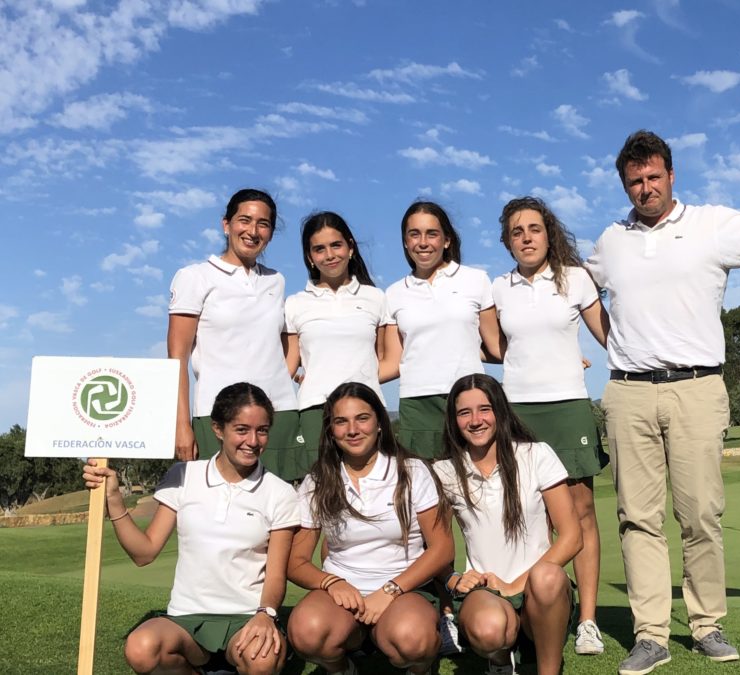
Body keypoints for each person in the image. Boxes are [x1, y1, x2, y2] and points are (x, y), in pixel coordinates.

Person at [585, 126, 740, 674]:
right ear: (625, 185)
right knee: (637, 519)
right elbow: (580, 290)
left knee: (701, 514)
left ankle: (706, 624)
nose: (645, 188)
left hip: (697, 387)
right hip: (629, 391)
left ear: (671, 174)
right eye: (635, 181)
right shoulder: (611, 240)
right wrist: (610, 340)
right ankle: (652, 635)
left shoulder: (711, 224)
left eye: (653, 177)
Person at [83, 382, 300, 675]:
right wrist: (114, 500)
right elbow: (143, 553)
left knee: (261, 660)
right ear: (218, 429)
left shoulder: (280, 492)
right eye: (241, 429)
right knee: (141, 648)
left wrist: (266, 614)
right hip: (186, 618)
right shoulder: (183, 475)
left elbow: (275, 575)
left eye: (262, 430)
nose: (253, 440)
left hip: (246, 617)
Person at [490, 196, 610, 656]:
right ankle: (529, 612)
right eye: (517, 231)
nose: (526, 238)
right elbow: (497, 348)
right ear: (507, 240)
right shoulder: (498, 289)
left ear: (549, 233)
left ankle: (587, 621)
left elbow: (610, 336)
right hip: (517, 412)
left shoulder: (576, 279)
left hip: (569, 408)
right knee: (528, 515)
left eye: (534, 229)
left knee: (580, 514)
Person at [383, 200, 501, 653]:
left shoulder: (475, 281)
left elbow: (493, 346)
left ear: (447, 237)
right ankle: (443, 609)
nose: (423, 242)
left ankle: (486, 596)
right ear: (405, 242)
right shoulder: (394, 294)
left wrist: (555, 354)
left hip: (469, 404)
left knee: (472, 504)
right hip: (417, 406)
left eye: (431, 233)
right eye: (414, 234)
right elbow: (391, 361)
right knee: (428, 514)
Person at [286, 382, 452, 675]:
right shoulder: (317, 481)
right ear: (330, 430)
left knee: (413, 640)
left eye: (362, 418)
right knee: (306, 632)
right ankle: (342, 668)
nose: (352, 429)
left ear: (379, 423)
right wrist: (332, 583)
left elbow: (442, 548)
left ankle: (418, 668)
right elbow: (296, 562)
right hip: (342, 594)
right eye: (341, 421)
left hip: (404, 589)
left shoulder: (411, 471)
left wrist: (390, 590)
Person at [434, 374, 583, 675]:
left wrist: (516, 585)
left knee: (548, 577)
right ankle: (500, 661)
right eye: (464, 412)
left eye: (484, 409)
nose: (475, 420)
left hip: (539, 593)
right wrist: (453, 579)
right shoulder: (444, 471)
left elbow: (572, 536)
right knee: (489, 631)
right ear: (454, 420)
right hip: (485, 591)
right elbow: (432, 545)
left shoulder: (536, 454)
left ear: (500, 411)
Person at [168, 189, 304, 480]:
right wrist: (182, 423)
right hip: (217, 415)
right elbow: (176, 356)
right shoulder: (195, 277)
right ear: (226, 224)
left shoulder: (276, 280)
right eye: (245, 220)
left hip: (279, 413)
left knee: (281, 513)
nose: (253, 231)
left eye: (263, 224)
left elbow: (281, 346)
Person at [285, 211, 388, 471]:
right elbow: (288, 365)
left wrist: (353, 378)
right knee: (322, 494)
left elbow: (387, 360)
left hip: (367, 407)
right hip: (314, 412)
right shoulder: (294, 304)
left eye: (336, 245)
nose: (329, 255)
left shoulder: (376, 298)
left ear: (350, 247)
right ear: (309, 257)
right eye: (319, 249)